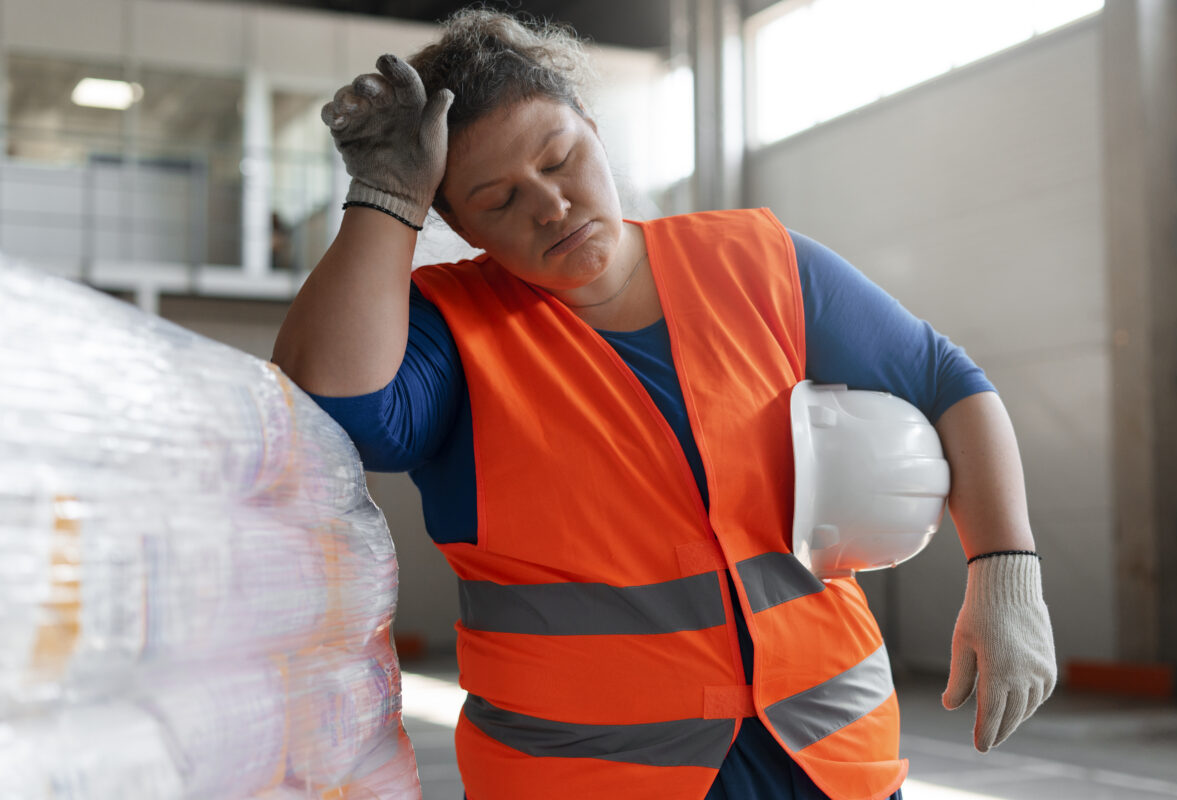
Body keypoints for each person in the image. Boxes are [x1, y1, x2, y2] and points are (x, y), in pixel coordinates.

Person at [271, 9, 1056, 800]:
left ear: (594, 130)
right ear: (454, 222)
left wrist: (1005, 574)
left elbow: (946, 381)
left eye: (560, 158)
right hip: (583, 776)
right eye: (498, 199)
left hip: (828, 760)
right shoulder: (448, 329)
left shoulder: (758, 263)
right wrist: (383, 198)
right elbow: (337, 409)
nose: (549, 206)